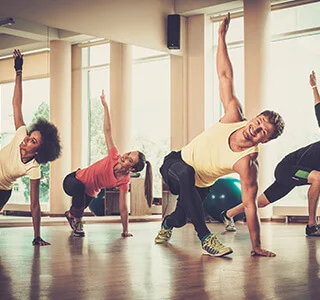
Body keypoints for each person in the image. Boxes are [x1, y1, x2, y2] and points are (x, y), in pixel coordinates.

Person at [154, 13, 285, 257]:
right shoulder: (234, 114)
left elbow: (250, 205)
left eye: (262, 132)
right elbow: (225, 76)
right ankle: (206, 238)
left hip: (200, 185)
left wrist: (255, 246)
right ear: (254, 117)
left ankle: (166, 225)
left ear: (264, 140)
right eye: (258, 122)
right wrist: (221, 36)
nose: (254, 129)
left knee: (180, 219)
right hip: (175, 164)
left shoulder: (248, 163)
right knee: (186, 171)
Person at [223, 70, 320, 237]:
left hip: (297, 173)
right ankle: (312, 225)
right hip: (287, 168)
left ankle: (228, 214)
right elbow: (319, 108)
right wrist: (314, 87)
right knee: (317, 177)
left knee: (261, 202)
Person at [63, 90, 153, 238]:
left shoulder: (124, 181)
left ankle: (70, 214)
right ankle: (78, 222)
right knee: (79, 188)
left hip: (88, 194)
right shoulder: (114, 155)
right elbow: (107, 131)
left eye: (130, 160)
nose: (125, 156)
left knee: (76, 208)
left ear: (131, 169)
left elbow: (123, 207)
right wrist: (105, 106)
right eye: (129, 153)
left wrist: (125, 230)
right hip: (73, 180)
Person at [0, 49, 61, 246]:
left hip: (2, 190)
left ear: (38, 152)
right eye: (30, 137)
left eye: (33, 142)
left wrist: (36, 236)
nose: (26, 140)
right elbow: (16, 104)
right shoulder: (20, 133)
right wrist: (19, 72)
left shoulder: (33, 168)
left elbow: (35, 205)